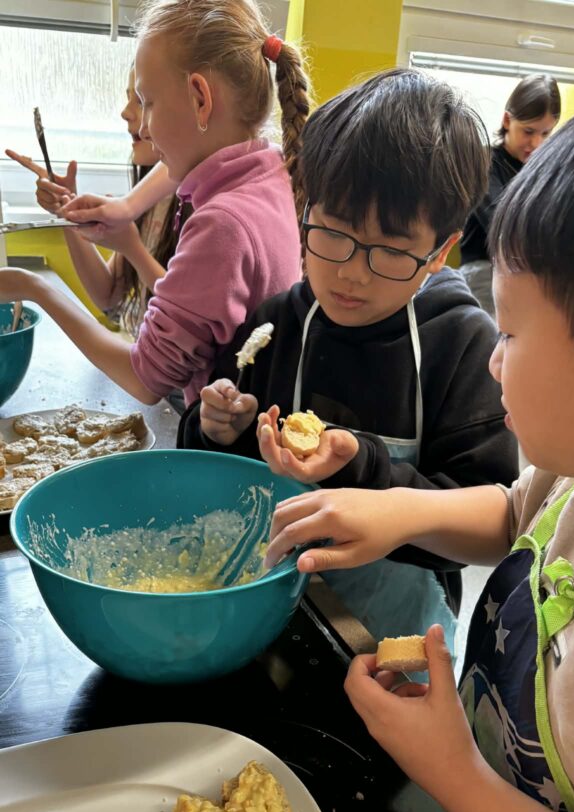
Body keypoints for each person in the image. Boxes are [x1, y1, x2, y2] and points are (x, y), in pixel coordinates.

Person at [266, 116, 574, 812]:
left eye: (510, 332)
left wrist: (456, 776)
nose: (495, 358)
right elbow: (509, 514)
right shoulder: (564, 477)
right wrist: (399, 511)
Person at [180, 69, 518, 648]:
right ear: (307, 210)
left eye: (390, 250)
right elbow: (210, 467)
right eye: (333, 233)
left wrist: (362, 467)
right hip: (268, 602)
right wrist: (216, 429)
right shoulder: (275, 324)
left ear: (440, 251)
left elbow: (492, 523)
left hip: (397, 635)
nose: (352, 273)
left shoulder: (462, 345)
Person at [0, 0, 309, 406]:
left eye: (147, 101)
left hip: (222, 444)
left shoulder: (223, 224)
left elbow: (145, 380)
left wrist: (31, 287)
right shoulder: (272, 173)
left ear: (200, 99)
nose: (143, 126)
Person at [6, 68, 186, 339]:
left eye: (142, 100)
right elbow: (109, 298)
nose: (125, 112)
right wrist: (67, 210)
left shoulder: (202, 206)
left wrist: (133, 248)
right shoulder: (152, 199)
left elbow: (188, 318)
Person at [460, 74, 560, 316]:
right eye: (528, 131)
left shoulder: (543, 171)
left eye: (546, 134)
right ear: (507, 120)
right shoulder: (485, 161)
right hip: (485, 269)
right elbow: (501, 223)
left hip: (528, 272)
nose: (536, 143)